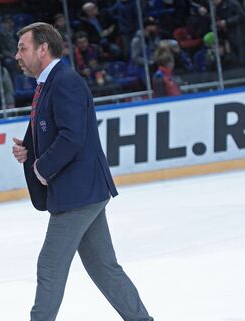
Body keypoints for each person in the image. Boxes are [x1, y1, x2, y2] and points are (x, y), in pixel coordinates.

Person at [11, 22, 153, 321]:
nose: (17, 56)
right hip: (82, 190)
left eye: (22, 48)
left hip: (77, 192)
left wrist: (41, 168)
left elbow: (72, 136)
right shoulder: (50, 83)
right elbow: (51, 129)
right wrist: (29, 150)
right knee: (104, 268)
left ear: (43, 49)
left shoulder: (64, 81)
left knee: (50, 265)